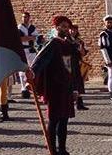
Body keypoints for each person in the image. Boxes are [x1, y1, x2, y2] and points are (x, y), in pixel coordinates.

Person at [28, 15, 80, 155]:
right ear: (56, 27)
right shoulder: (52, 44)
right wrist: (32, 73)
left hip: (67, 87)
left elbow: (73, 68)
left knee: (64, 120)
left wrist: (75, 88)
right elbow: (40, 60)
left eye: (67, 27)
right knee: (54, 119)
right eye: (63, 26)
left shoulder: (68, 45)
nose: (66, 29)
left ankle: (62, 149)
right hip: (55, 88)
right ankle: (52, 149)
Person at [18, 11, 38, 99]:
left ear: (29, 18)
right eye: (23, 17)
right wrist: (30, 37)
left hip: (31, 49)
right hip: (23, 50)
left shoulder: (32, 27)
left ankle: (31, 85)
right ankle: (23, 88)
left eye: (26, 17)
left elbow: (36, 38)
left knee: (33, 67)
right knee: (22, 69)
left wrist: (28, 38)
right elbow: (20, 39)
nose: (24, 18)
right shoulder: (19, 27)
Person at [69, 24, 89, 110]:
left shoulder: (80, 41)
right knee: (70, 83)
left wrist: (81, 49)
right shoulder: (66, 40)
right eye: (71, 30)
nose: (73, 31)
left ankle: (79, 103)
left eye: (75, 30)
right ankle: (70, 103)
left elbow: (83, 54)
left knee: (78, 83)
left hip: (77, 64)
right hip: (68, 65)